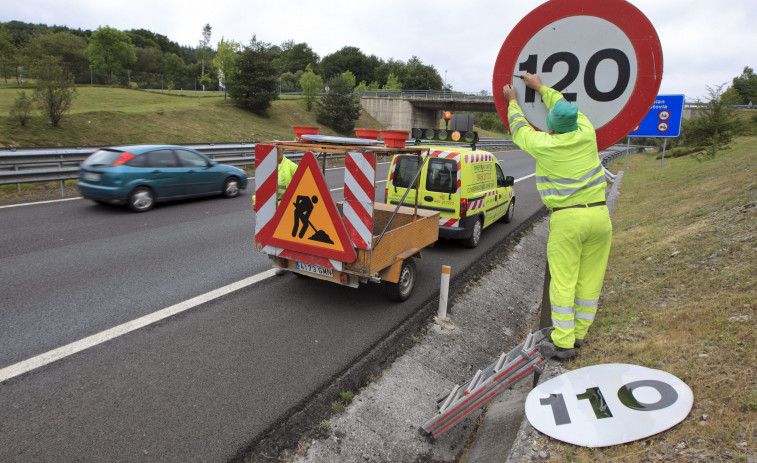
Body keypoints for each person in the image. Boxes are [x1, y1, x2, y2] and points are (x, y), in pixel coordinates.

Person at [503, 73, 612, 360]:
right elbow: (563, 103)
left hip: (568, 219)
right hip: (600, 216)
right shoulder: (587, 132)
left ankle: (562, 342)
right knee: (590, 279)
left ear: (551, 128)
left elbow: (518, 129)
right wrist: (541, 87)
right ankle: (578, 335)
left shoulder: (545, 145)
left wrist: (513, 101)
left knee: (564, 280)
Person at [253, 148, 298, 275]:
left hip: (287, 209)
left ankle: (285, 262)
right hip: (270, 210)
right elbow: (261, 188)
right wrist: (256, 200)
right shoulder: (266, 167)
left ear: (282, 150)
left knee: (286, 238)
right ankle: (279, 260)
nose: (276, 152)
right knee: (271, 238)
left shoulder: (291, 167)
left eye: (278, 150)